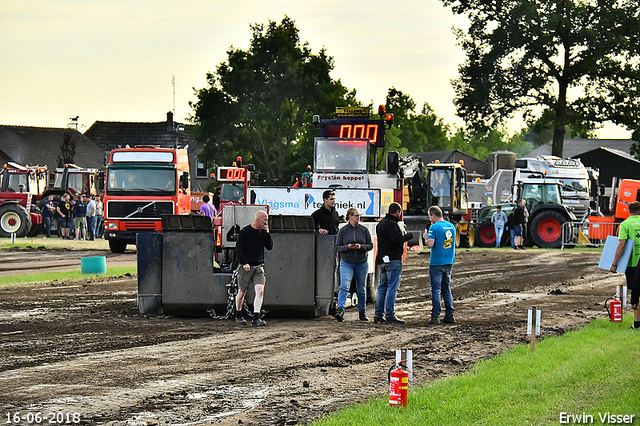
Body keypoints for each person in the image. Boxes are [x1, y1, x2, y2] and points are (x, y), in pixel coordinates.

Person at [374, 202, 413, 324]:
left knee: (382, 287)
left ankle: (378, 314)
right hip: (393, 259)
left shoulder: (380, 224)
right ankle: (390, 314)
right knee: (392, 287)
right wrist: (408, 236)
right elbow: (396, 240)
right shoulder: (392, 224)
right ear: (397, 212)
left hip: (382, 260)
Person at [334, 207, 374, 322]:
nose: (358, 217)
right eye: (356, 215)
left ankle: (362, 311)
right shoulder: (343, 230)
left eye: (359, 215)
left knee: (361, 289)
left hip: (361, 262)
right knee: (344, 286)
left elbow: (370, 245)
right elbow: (337, 247)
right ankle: (340, 310)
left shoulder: (364, 230)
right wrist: (347, 247)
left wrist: (361, 247)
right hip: (347, 262)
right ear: (350, 217)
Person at [235, 210, 273, 327]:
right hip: (246, 266)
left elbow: (269, 246)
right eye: (265, 219)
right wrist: (244, 262)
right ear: (258, 219)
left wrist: (267, 233)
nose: (266, 222)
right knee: (242, 291)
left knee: (260, 290)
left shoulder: (262, 233)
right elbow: (239, 248)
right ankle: (238, 314)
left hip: (258, 266)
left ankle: (256, 317)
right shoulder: (245, 231)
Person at [423, 205, 456, 325]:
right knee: (446, 289)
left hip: (437, 262)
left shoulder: (434, 227)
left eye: (429, 216)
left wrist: (426, 238)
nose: (429, 219)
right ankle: (450, 314)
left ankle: (435, 315)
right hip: (448, 261)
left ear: (433, 216)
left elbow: (430, 244)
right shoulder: (451, 226)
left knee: (436, 289)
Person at [610, 201, 640, 330]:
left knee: (636, 292)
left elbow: (622, 245)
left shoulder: (625, 224)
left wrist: (614, 263)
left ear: (629, 211)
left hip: (633, 263)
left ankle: (637, 323)